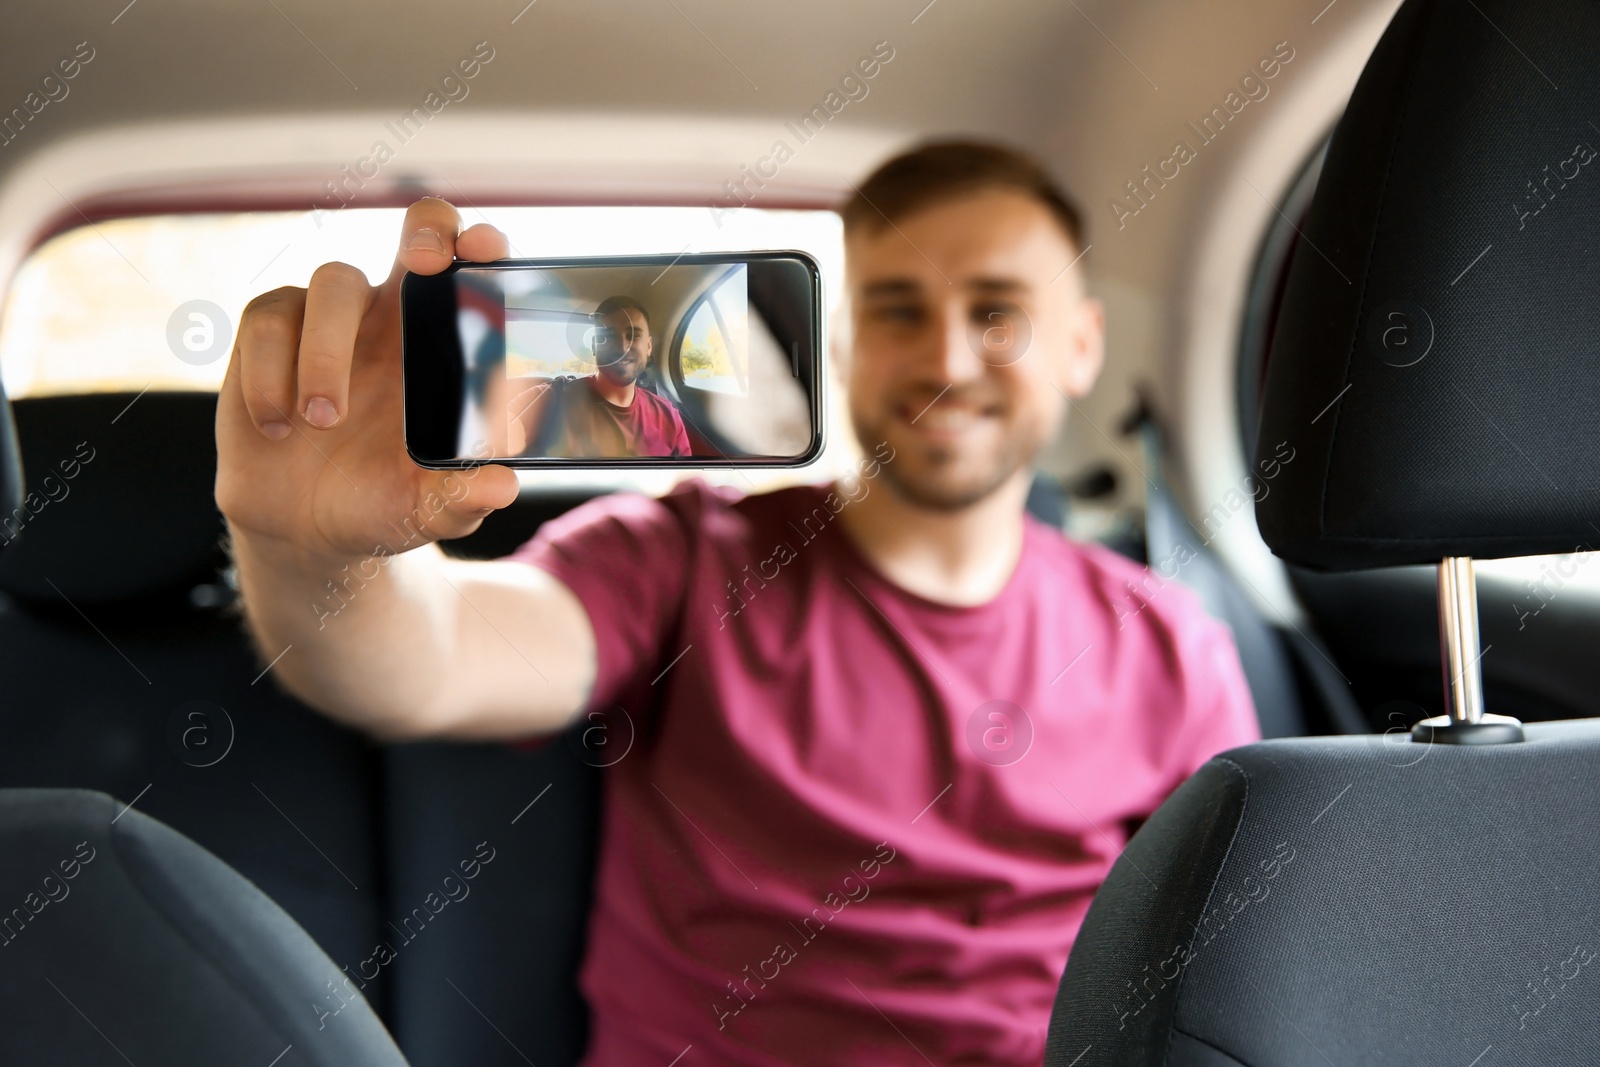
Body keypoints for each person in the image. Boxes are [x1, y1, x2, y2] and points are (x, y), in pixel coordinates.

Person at [217, 140, 1259, 1065]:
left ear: (1079, 344)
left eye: (996, 313)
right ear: (841, 338)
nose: (946, 359)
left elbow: (1226, 973)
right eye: (898, 308)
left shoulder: (1171, 645)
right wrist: (312, 552)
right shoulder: (680, 555)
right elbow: (431, 662)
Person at [510, 295, 693, 458]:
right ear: (594, 346)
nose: (622, 348)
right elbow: (502, 428)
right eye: (608, 336)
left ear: (649, 346)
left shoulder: (669, 415)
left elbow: (686, 485)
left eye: (633, 335)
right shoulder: (554, 397)